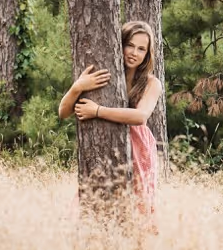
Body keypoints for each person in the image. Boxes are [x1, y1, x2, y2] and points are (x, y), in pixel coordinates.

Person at [58, 21, 162, 218]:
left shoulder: (151, 83)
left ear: (147, 54)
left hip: (138, 147)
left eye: (141, 49)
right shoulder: (105, 74)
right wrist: (78, 87)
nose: (134, 53)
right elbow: (63, 112)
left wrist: (98, 111)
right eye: (130, 45)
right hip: (106, 143)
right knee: (96, 193)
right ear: (119, 44)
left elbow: (140, 117)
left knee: (137, 203)